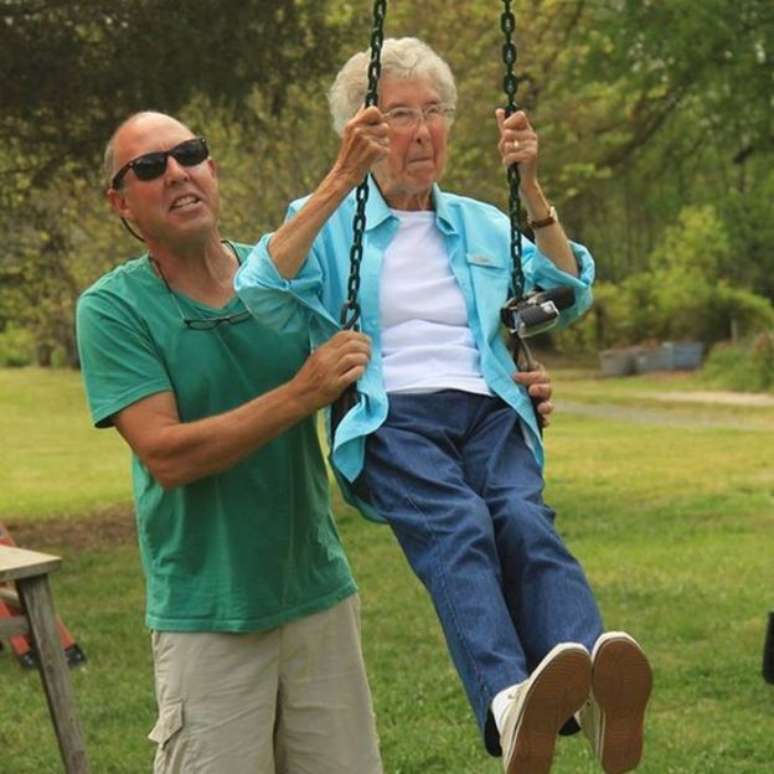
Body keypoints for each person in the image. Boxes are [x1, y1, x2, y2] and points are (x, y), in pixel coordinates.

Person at [75, 109, 556, 773]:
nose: (177, 173)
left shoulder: (283, 279)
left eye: (191, 152)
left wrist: (503, 389)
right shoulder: (114, 309)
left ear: (212, 170)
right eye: (150, 167)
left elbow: (399, 364)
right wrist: (303, 392)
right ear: (119, 200)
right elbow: (168, 454)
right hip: (208, 612)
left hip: (318, 598)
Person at [235, 37, 652, 774]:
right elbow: (261, 289)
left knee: (524, 520)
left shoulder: (483, 222)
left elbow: (566, 292)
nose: (421, 131)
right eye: (398, 115)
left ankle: (593, 682)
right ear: (361, 130)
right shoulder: (330, 218)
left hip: (490, 410)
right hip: (393, 415)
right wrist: (340, 179)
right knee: (459, 527)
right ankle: (507, 703)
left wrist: (531, 186)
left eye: (434, 112)